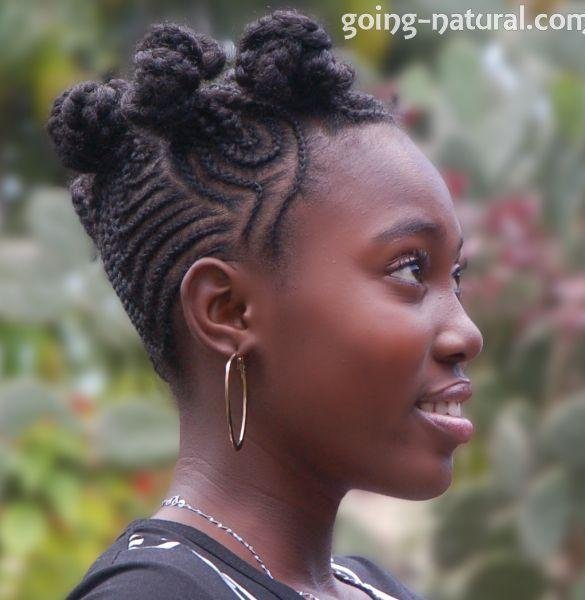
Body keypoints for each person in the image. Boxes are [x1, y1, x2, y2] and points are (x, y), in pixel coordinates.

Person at [46, 8, 484, 600]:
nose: (466, 334)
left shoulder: (374, 589)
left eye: (455, 276)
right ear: (228, 312)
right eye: (409, 269)